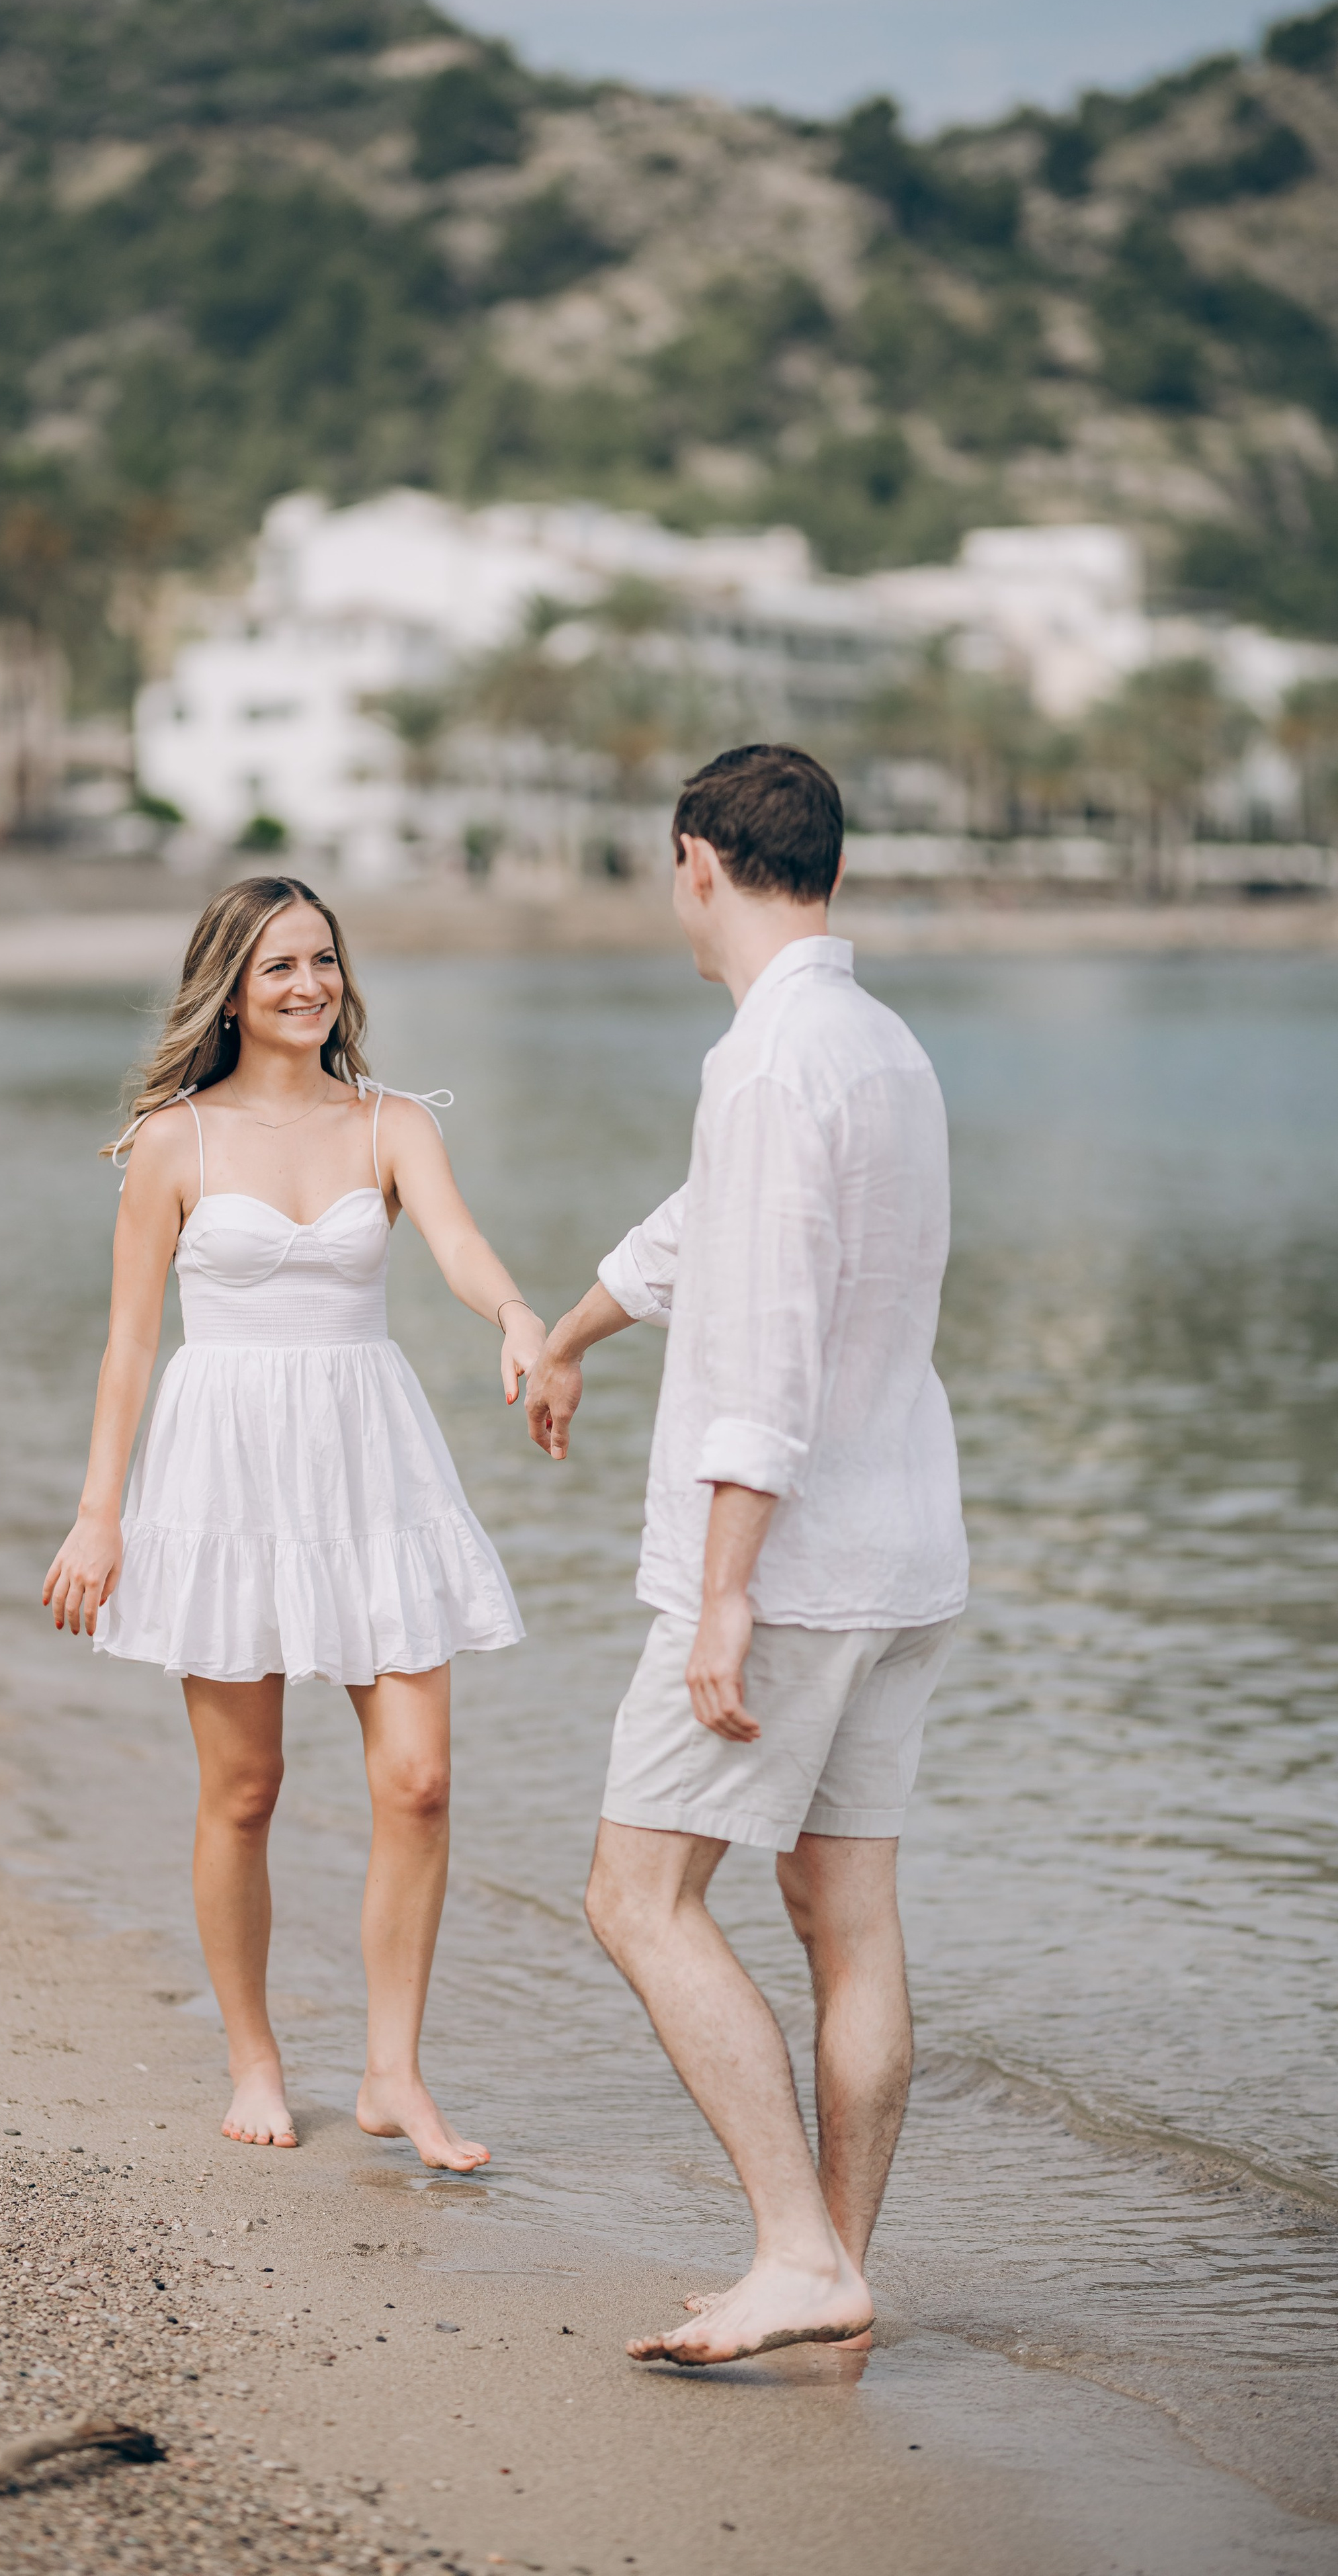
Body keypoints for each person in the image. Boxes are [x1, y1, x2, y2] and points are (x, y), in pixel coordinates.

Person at [526, 745, 967, 2362]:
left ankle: (796, 2249)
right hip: (902, 1549)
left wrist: (721, 1595)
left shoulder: (771, 1062)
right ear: (826, 870)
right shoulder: (879, 1045)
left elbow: (764, 1353)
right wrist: (567, 1333)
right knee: (843, 1916)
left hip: (791, 1570)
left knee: (635, 1896)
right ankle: (835, 2265)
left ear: (694, 862)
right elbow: (701, 1227)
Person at [44, 876, 541, 2172]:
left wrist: (520, 1318)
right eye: (279, 968)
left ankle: (392, 2073)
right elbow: (128, 1349)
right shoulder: (174, 1143)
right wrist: (101, 1518)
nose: (311, 985)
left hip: (370, 1465)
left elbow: (458, 1243)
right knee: (247, 1791)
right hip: (224, 1474)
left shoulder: (392, 1123)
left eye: (324, 960)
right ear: (231, 986)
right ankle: (254, 2055)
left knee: (420, 1784)